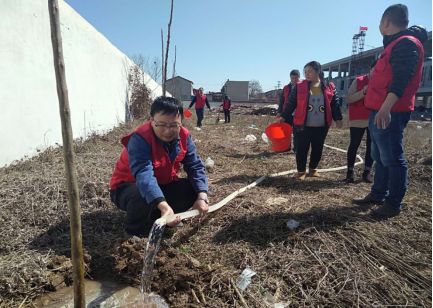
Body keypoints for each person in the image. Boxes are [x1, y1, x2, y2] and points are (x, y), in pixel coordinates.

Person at [352, 4, 427, 219]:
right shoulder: (393, 45)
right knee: (379, 156)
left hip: (390, 112)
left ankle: (393, 204)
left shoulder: (406, 45)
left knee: (393, 157)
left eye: (380, 22)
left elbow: (401, 80)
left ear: (386, 22)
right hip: (378, 110)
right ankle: (378, 194)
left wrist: (386, 108)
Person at [110, 96, 209, 236]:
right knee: (141, 194)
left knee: (193, 189)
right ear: (151, 120)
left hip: (162, 185)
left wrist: (202, 197)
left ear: (181, 122)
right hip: (128, 187)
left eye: (174, 125)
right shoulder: (140, 139)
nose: (167, 131)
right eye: (161, 125)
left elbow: (195, 166)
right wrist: (163, 204)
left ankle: (162, 216)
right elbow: (144, 175)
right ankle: (136, 231)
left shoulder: (184, 136)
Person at [281, 61, 343, 181]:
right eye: (305, 72)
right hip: (302, 125)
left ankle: (313, 169)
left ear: (318, 71)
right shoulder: (299, 86)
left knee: (317, 148)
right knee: (301, 149)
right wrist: (283, 116)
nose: (306, 74)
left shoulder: (329, 86)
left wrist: (338, 118)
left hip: (321, 126)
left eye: (309, 71)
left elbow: (335, 104)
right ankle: (301, 172)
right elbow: (291, 103)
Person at [343, 60, 376, 183]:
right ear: (370, 69)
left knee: (371, 146)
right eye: (375, 69)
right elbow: (349, 99)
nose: (376, 72)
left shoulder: (381, 82)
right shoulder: (359, 81)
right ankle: (350, 172)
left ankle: (367, 172)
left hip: (373, 119)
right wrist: (363, 92)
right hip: (357, 119)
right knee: (354, 145)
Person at [277, 69, 301, 152]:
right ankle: (287, 147)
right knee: (286, 131)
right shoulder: (286, 88)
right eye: (292, 78)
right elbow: (282, 101)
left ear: (299, 77)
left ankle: (296, 148)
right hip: (287, 113)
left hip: (298, 114)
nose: (294, 80)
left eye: (296, 78)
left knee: (297, 132)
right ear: (290, 78)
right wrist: (279, 112)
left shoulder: (302, 87)